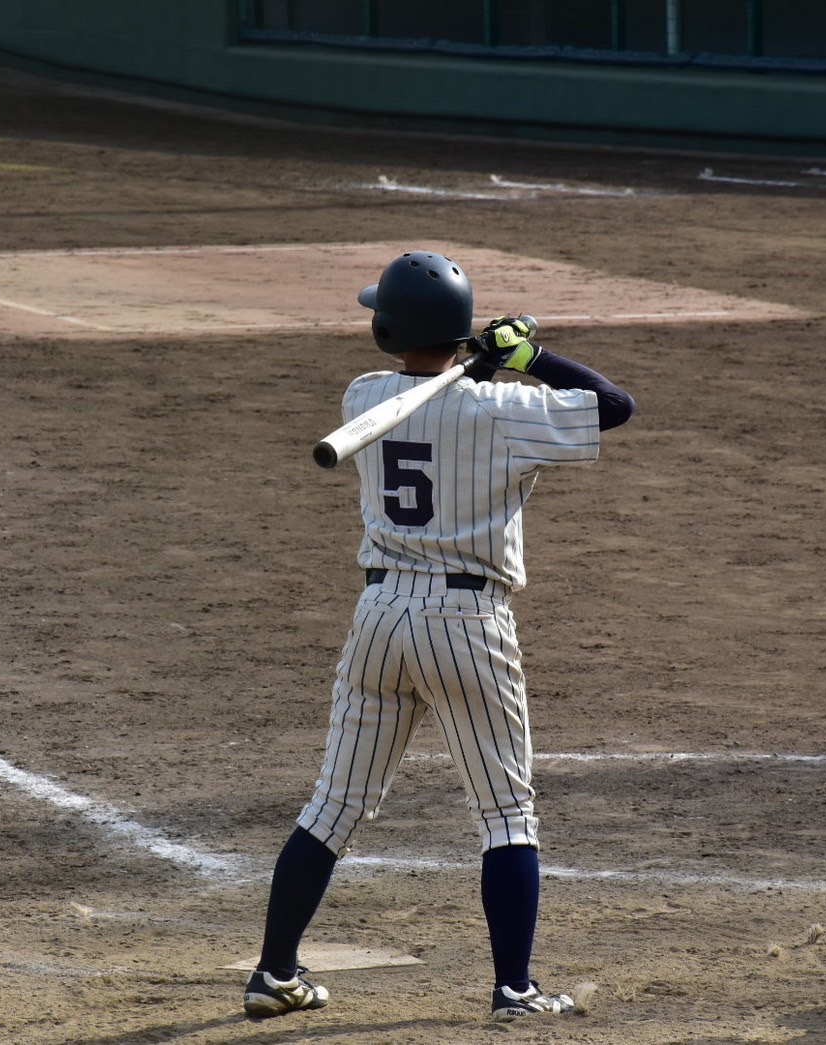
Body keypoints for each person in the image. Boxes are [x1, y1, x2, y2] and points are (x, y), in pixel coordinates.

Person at [242, 249, 635, 1022]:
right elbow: (613, 405)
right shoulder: (505, 411)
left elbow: (435, 398)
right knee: (506, 814)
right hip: (465, 624)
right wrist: (528, 358)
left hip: (379, 617)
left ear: (389, 330)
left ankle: (274, 972)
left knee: (333, 804)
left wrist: (476, 364)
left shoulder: (362, 395)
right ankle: (514, 989)